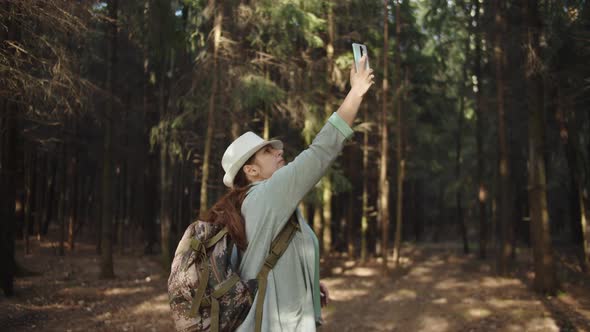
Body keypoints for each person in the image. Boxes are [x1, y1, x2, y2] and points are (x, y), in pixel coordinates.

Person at [206, 55, 374, 331]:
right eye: (267, 151)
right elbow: (322, 150)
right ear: (251, 171)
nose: (278, 151)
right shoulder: (267, 196)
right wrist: (355, 94)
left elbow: (263, 260)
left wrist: (306, 278)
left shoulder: (252, 204)